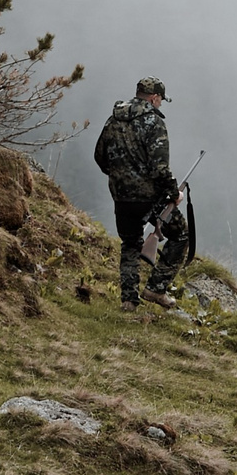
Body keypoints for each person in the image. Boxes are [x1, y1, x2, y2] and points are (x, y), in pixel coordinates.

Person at [95, 76, 177, 306]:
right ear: (154, 97)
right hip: (151, 197)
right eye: (160, 100)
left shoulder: (114, 119)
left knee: (130, 243)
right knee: (181, 235)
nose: (160, 104)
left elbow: (100, 157)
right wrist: (174, 194)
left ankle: (129, 301)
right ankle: (156, 289)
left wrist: (121, 177)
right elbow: (160, 169)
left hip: (121, 195)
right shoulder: (155, 122)